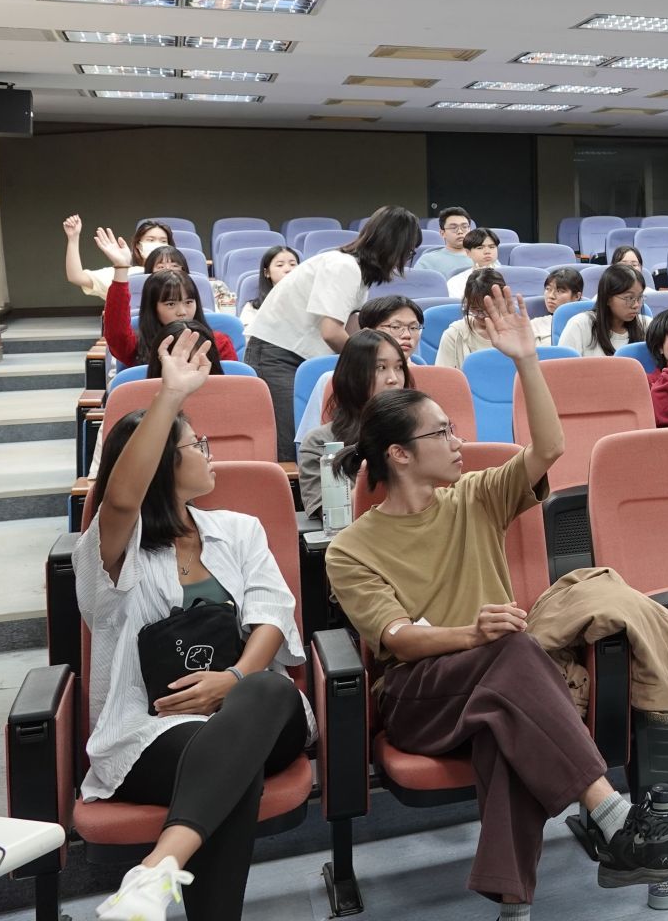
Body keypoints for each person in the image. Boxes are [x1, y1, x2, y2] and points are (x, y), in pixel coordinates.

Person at [322, 289, 668, 910]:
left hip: (498, 684)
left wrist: (527, 360)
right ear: (399, 454)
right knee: (512, 652)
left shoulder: (475, 496)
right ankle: (614, 819)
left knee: (502, 725)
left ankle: (515, 904)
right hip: (418, 697)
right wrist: (473, 634)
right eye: (442, 433)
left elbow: (549, 449)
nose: (458, 442)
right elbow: (396, 638)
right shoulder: (351, 548)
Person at [77, 329, 313, 921]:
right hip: (154, 730)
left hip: (258, 711)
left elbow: (272, 617)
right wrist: (168, 397)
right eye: (196, 445)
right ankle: (162, 882)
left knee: (264, 690)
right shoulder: (115, 552)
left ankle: (158, 866)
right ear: (162, 465)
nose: (209, 453)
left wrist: (232, 679)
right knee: (231, 766)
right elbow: (121, 501)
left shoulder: (238, 529)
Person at [245, 207, 422, 462]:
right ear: (393, 246)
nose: (405, 261)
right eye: (408, 252)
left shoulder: (358, 273)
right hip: (277, 354)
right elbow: (331, 332)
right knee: (289, 445)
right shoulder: (344, 266)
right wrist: (372, 363)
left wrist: (388, 359)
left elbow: (353, 331)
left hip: (297, 354)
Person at [297, 330, 409, 515]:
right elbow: (333, 515)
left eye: (399, 367)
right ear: (353, 376)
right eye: (380, 368)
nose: (394, 379)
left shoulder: (422, 432)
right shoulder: (321, 442)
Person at [294, 297, 425, 447]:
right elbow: (313, 445)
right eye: (396, 326)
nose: (407, 334)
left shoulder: (430, 375)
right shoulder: (331, 380)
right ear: (367, 332)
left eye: (414, 327)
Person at [103, 264, 238, 368]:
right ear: (153, 308)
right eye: (171, 304)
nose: (182, 312)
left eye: (189, 302)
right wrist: (121, 269)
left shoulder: (219, 342)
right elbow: (116, 334)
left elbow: (232, 385)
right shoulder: (138, 346)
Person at [65, 217, 175, 298]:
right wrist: (73, 238)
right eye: (151, 240)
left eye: (163, 241)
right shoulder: (126, 273)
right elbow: (76, 277)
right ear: (138, 245)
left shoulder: (179, 273)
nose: (157, 244)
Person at [561, 264, 647, 357]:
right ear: (607, 298)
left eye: (639, 297)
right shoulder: (580, 325)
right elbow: (563, 365)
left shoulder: (646, 325)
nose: (636, 305)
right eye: (629, 298)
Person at [436, 269, 507, 370]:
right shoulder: (454, 335)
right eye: (475, 309)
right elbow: (443, 377)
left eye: (489, 309)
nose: (482, 316)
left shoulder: (519, 332)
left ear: (504, 301)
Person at [238, 246, 300, 324]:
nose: (288, 269)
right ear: (267, 272)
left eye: (292, 264)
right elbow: (248, 331)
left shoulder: (308, 301)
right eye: (280, 265)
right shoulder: (253, 308)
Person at [412, 207, 474, 280]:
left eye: (464, 227)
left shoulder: (483, 255)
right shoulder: (428, 260)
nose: (460, 231)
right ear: (442, 233)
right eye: (453, 228)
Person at [533, 267, 584, 344]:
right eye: (548, 289)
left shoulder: (587, 324)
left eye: (559, 291)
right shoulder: (535, 324)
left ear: (577, 296)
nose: (551, 296)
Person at [445, 230, 503, 299]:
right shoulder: (455, 282)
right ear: (468, 252)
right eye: (480, 248)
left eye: (492, 247)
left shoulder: (511, 275)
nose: (487, 252)